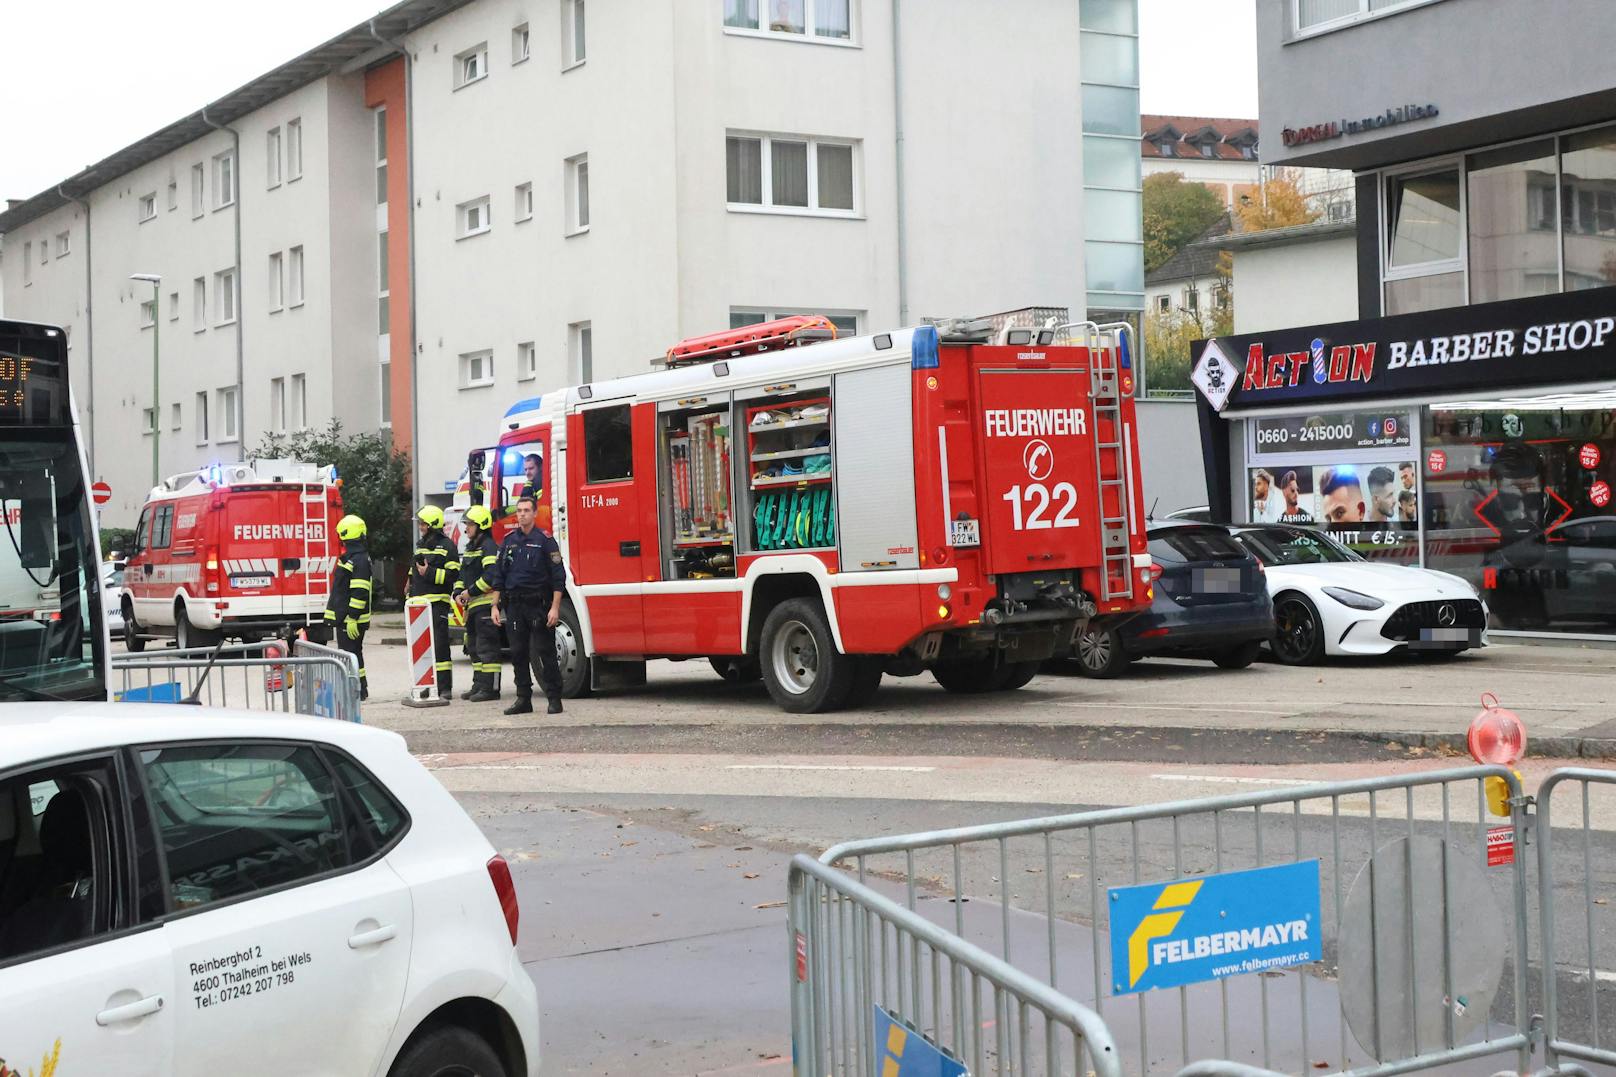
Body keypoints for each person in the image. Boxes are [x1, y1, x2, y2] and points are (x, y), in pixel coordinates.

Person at [490, 495, 567, 715]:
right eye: (519, 510)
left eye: (526, 510)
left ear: (534, 513)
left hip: (539, 605)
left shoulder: (545, 540)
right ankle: (523, 699)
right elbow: (499, 576)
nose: (522, 514)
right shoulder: (509, 541)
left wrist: (554, 607)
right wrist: (495, 606)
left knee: (546, 652)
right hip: (514, 606)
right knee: (518, 653)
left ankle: (554, 697)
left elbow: (558, 577)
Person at [408, 505, 460, 699]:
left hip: (437, 603)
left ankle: (445, 687)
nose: (420, 527)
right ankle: (426, 685)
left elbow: (453, 576)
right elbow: (414, 567)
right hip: (420, 604)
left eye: (423, 523)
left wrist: (428, 573)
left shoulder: (448, 546)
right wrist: (410, 586)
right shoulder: (421, 544)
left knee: (439, 646)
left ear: (432, 525)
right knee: (422, 648)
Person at [454, 504, 502, 703]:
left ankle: (491, 688)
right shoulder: (470, 548)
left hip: (485, 604)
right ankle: (479, 685)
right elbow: (463, 574)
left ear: (481, 525)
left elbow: (491, 575)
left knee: (487, 648)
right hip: (473, 607)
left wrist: (470, 591)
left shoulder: (488, 546)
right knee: (473, 647)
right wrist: (458, 592)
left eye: (470, 525)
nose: (466, 529)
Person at [324, 514, 373, 701]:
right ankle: (359, 689)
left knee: (350, 655)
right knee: (353, 654)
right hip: (347, 617)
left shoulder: (357, 560)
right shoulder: (354, 558)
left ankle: (356, 690)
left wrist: (352, 617)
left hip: (351, 619)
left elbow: (359, 591)